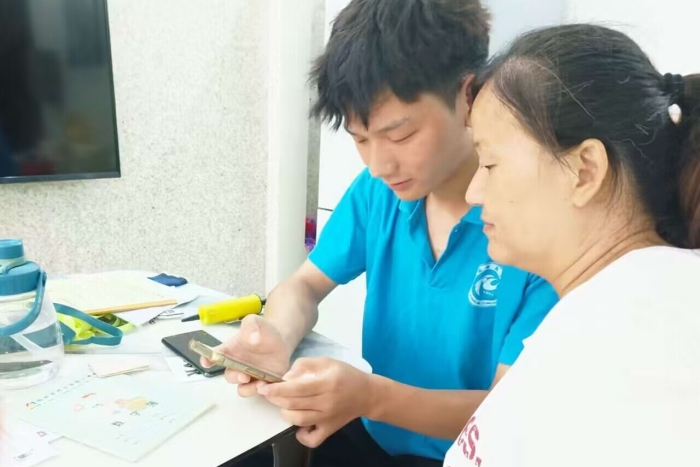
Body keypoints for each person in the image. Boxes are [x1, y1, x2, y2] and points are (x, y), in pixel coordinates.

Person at [210, 1, 557, 465]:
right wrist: (276, 334)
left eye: (400, 136)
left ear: (469, 95)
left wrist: (370, 396)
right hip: (371, 433)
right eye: (360, 139)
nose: (378, 165)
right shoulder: (379, 193)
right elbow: (306, 284)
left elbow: (508, 410)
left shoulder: (537, 228)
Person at [443, 23, 700, 467]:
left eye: (490, 163)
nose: (473, 193)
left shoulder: (626, 344)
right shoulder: (619, 308)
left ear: (585, 171)